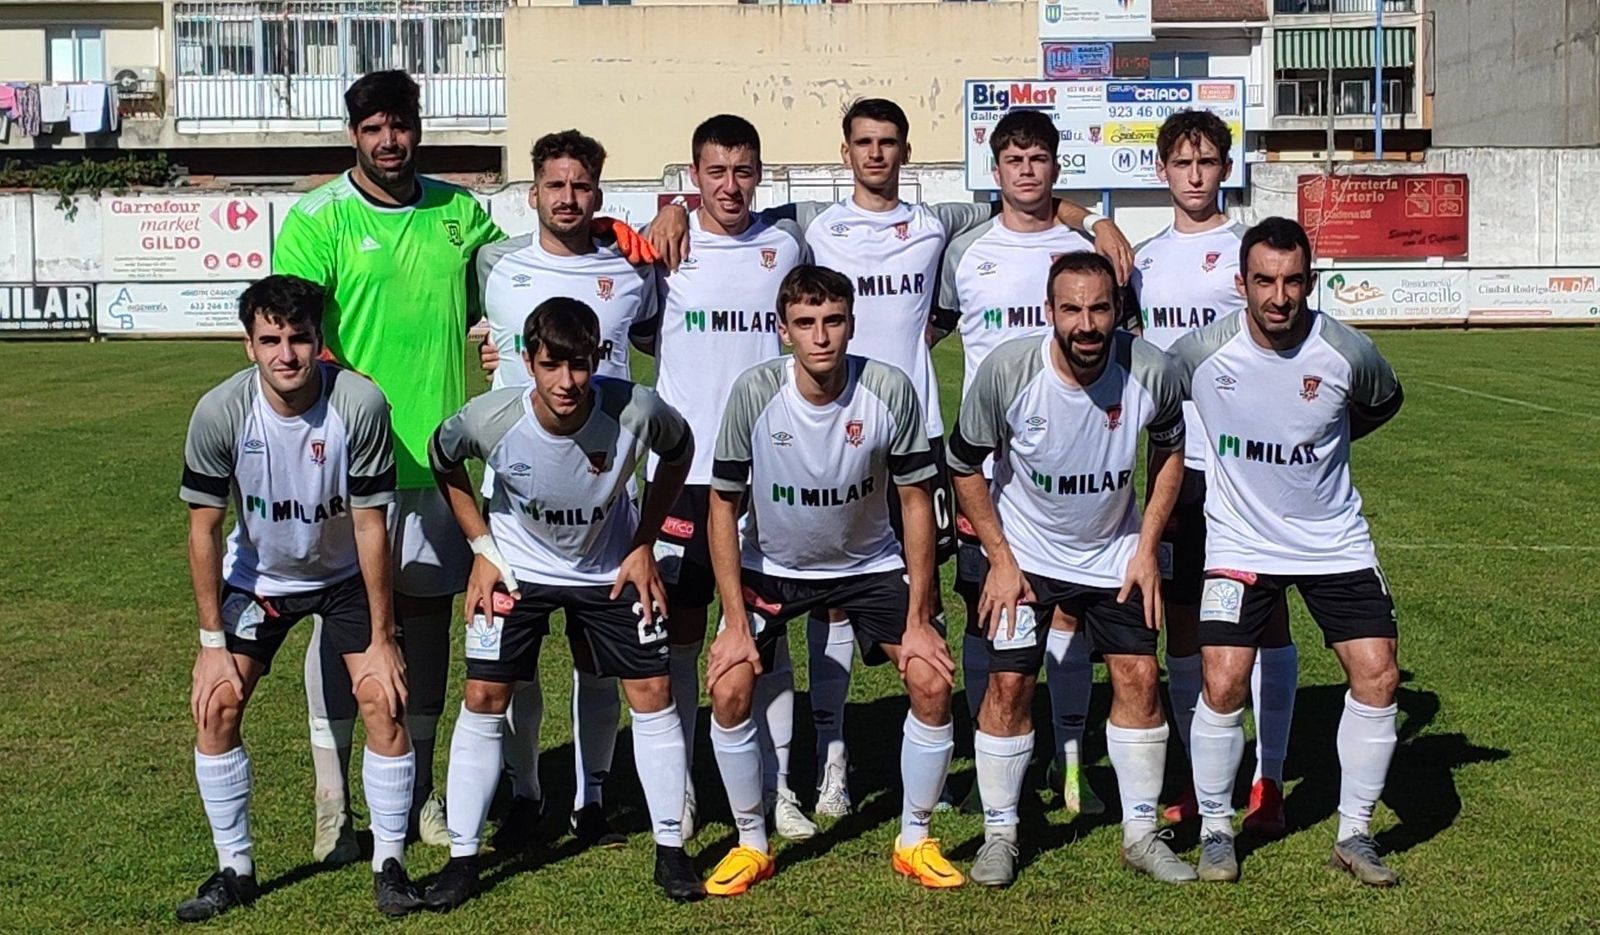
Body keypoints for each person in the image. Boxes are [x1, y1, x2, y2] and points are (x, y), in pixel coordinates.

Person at [647, 97, 1133, 817]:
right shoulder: (802, 226)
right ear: (844, 152)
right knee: (764, 605)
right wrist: (674, 209)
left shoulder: (943, 224)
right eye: (864, 143)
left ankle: (939, 758)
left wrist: (1095, 218)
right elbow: (706, 236)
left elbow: (1026, 198)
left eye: (889, 143)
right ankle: (767, 770)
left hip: (907, 439)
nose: (876, 154)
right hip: (773, 448)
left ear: (906, 152)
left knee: (918, 603)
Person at [273, 69, 656, 856]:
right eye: (374, 127)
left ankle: (415, 794)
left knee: (435, 621)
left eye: (401, 124)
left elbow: (545, 257)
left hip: (450, 464)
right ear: (354, 134)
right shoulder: (317, 218)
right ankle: (331, 799)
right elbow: (298, 333)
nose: (389, 140)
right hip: (352, 463)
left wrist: (627, 227)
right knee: (349, 624)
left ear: (418, 128)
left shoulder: (461, 215)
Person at [424, 298, 703, 907]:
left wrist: (644, 542)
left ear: (597, 359)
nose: (567, 381)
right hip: (518, 570)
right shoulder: (490, 417)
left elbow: (679, 451)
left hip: (608, 567)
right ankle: (463, 860)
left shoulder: (635, 408)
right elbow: (442, 457)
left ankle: (671, 852)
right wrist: (481, 546)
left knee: (652, 693)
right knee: (484, 696)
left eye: (579, 364)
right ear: (528, 361)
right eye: (552, 365)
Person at [700, 265, 959, 896]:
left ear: (851, 324)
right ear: (783, 330)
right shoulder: (753, 393)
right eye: (806, 324)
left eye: (834, 321)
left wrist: (921, 617)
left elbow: (917, 502)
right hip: (774, 569)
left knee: (930, 679)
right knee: (731, 688)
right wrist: (735, 624)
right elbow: (723, 505)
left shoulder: (890, 389)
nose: (821, 337)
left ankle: (915, 838)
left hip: (868, 565)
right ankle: (751, 843)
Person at [1167, 217, 1405, 885]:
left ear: (1310, 281)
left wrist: (1329, 441)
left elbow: (1384, 401)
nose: (1279, 296)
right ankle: (1217, 827)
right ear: (1241, 283)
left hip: (1333, 538)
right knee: (1222, 680)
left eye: (1293, 280)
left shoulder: (1346, 351)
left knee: (1378, 673)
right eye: (1265, 281)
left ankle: (1354, 832)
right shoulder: (1199, 353)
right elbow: (1152, 401)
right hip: (1240, 538)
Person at [176, 275, 422, 921]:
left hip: (343, 579)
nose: (285, 354)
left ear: (321, 341)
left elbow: (373, 525)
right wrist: (210, 645)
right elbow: (202, 529)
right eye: (270, 340)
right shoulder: (220, 410)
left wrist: (381, 636)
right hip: (259, 580)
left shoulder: (361, 404)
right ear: (248, 345)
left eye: (299, 338)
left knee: (382, 700)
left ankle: (390, 863)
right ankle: (235, 867)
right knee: (217, 705)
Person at [948, 252, 1193, 887]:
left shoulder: (1152, 371)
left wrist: (1146, 546)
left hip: (1114, 552)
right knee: (1007, 688)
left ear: (1118, 310)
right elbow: (964, 464)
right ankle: (1002, 833)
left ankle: (1142, 834)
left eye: (1100, 308)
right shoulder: (1009, 371)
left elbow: (1170, 450)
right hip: (1025, 557)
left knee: (1139, 675)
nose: (1087, 324)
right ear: (1050, 311)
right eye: (1073, 309)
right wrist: (1000, 560)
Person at [475, 129, 663, 847]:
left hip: (603, 497)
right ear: (533, 193)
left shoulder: (631, 270)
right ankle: (524, 792)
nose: (568, 198)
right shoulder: (496, 266)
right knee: (517, 666)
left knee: (597, 660)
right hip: (516, 502)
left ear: (600, 194)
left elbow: (652, 338)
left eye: (581, 186)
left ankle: (592, 797)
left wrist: (662, 221)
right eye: (555, 185)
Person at [633, 114, 814, 842]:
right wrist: (667, 213)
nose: (730, 185)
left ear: (760, 174)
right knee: (674, 632)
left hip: (765, 474)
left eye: (743, 170)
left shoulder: (785, 244)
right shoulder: (662, 251)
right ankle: (676, 789)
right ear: (693, 175)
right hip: (682, 477)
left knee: (766, 634)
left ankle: (781, 789)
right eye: (716, 172)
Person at [1129, 109, 1296, 835]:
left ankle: (1270, 778)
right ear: (1163, 171)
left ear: (1225, 168)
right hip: (1176, 466)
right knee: (1188, 624)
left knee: (1269, 615)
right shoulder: (1140, 260)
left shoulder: (1246, 250)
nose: (1195, 176)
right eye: (1182, 163)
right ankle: (1204, 781)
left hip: (1247, 467)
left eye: (1207, 162)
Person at [935, 107, 1100, 817]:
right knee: (985, 615)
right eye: (1013, 159)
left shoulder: (1082, 247)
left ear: (1055, 168)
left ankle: (1069, 764)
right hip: (987, 474)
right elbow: (935, 326)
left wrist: (1096, 221)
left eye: (1037, 158)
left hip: (1070, 466)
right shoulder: (966, 250)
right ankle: (988, 765)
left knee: (1067, 618)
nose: (1026, 170)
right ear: (995, 169)